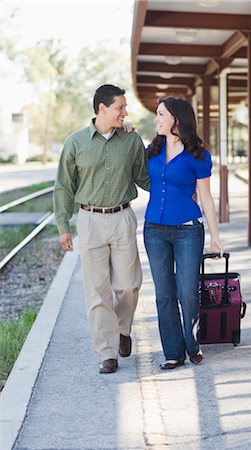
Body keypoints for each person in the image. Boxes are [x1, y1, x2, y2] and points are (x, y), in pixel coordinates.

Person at [54, 84, 150, 374]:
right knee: (97, 291)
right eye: (120, 106)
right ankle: (106, 351)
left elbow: (145, 178)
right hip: (90, 220)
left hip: (122, 217)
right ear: (102, 109)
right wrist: (63, 225)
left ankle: (123, 329)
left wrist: (181, 191)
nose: (125, 111)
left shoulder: (131, 141)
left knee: (129, 285)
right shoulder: (75, 142)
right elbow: (64, 185)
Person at [143, 97, 224, 370]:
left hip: (188, 231)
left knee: (187, 292)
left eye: (160, 114)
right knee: (164, 294)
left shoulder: (198, 155)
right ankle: (173, 352)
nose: (156, 119)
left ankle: (193, 344)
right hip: (154, 230)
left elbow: (206, 197)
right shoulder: (152, 150)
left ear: (177, 119)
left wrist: (215, 236)